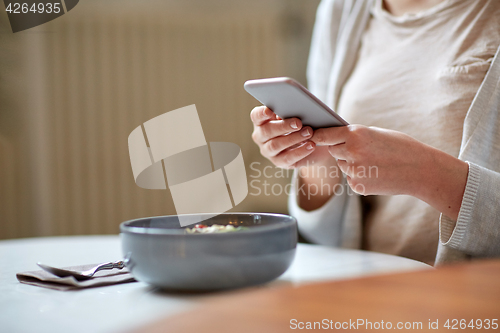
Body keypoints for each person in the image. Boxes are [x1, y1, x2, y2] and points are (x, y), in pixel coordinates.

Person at [250, 0, 500, 266]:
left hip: (470, 297)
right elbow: (327, 237)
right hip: (368, 285)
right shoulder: (341, 9)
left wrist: (426, 173)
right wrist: (316, 160)